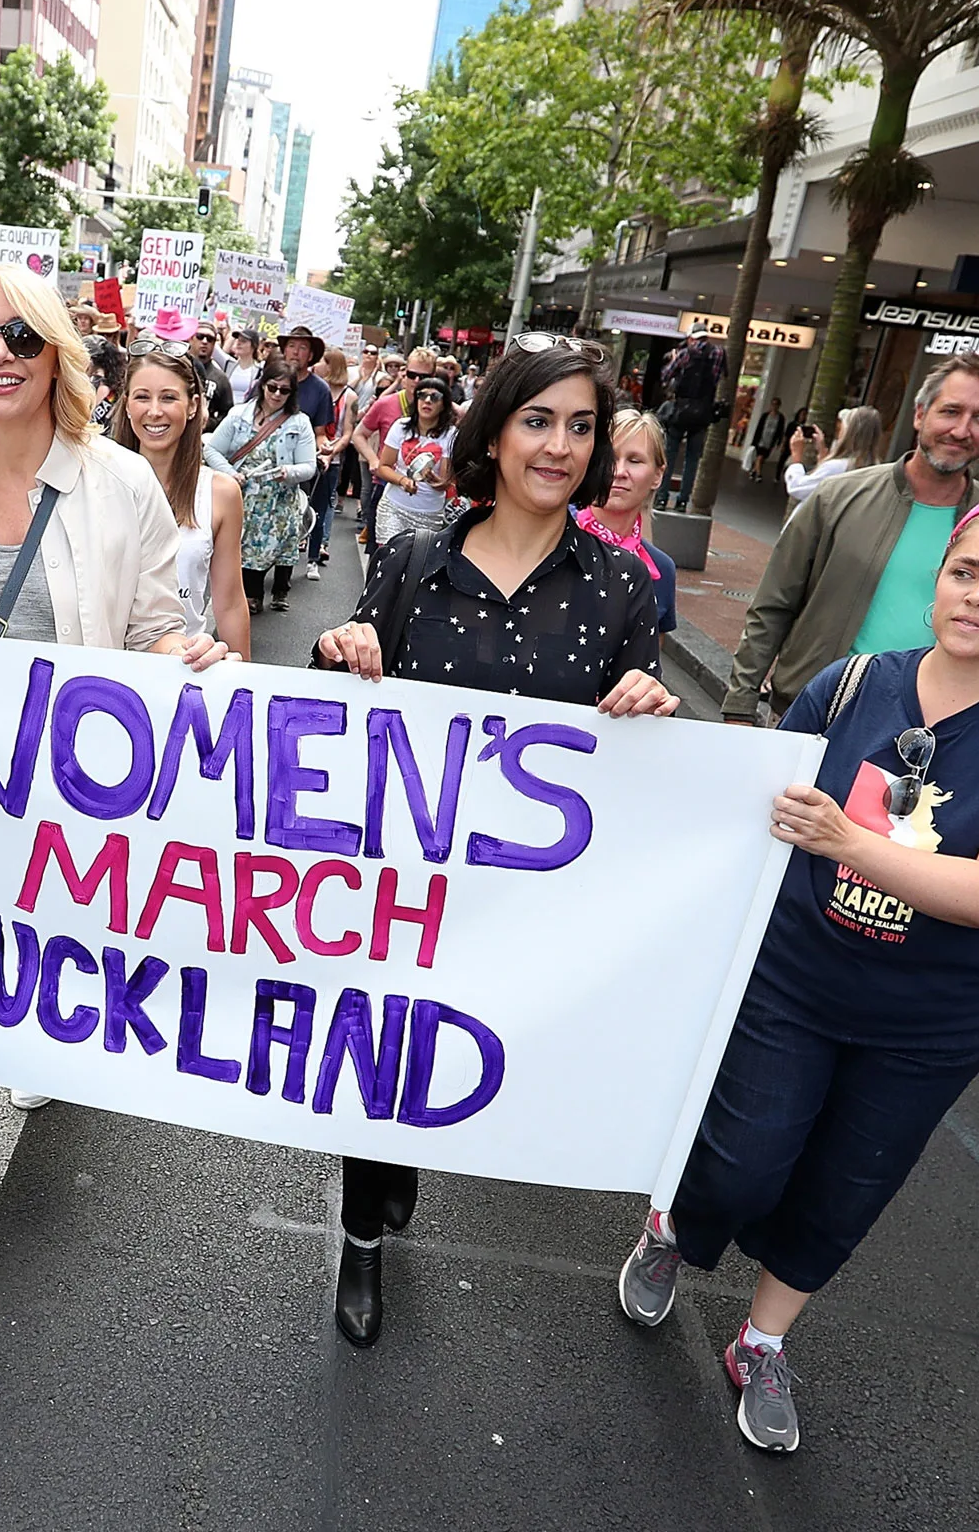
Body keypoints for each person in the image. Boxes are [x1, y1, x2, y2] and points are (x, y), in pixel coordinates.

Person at [618, 492, 979, 1454]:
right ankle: (674, 1227)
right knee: (740, 1160)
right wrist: (663, 737)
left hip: (929, 1026)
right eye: (965, 571)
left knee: (846, 1190)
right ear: (939, 579)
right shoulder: (849, 686)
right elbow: (747, 809)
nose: (978, 595)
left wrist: (847, 839)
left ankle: (762, 1342)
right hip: (791, 985)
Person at [0, 263, 229, 1326]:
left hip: (74, 811)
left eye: (21, 338)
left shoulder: (120, 486)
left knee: (41, 975)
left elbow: (152, 626)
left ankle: (35, 1043)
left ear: (57, 356)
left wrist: (182, 655)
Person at [314, 333, 678, 1349]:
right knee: (380, 1060)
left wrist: (650, 707)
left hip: (527, 903)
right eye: (537, 420)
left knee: (460, 1057)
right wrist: (342, 648)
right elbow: (342, 707)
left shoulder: (620, 588)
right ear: (496, 433)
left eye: (581, 427)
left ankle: (400, 1164)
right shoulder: (413, 561)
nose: (559, 445)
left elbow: (637, 759)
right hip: (404, 891)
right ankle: (361, 1236)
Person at [722, 355, 979, 725]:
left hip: (928, 729)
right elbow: (773, 606)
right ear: (920, 414)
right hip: (814, 714)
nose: (961, 430)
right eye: (950, 411)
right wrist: (740, 706)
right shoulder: (837, 498)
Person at [114, 338, 251, 656]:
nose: (154, 411)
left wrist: (243, 677)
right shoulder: (95, 482)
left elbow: (230, 603)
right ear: (127, 404)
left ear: (192, 406)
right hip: (101, 666)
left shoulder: (220, 493)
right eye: (142, 397)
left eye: (168, 397)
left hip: (183, 664)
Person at [208, 356, 316, 613]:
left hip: (279, 500)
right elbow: (212, 450)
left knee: (276, 546)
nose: (277, 394)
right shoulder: (239, 415)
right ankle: (251, 596)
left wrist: (287, 472)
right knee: (244, 547)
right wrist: (230, 473)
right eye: (273, 387)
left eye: (284, 390)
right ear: (263, 385)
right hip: (243, 496)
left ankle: (277, 590)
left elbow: (309, 466)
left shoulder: (299, 423)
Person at [579, 408, 677, 634]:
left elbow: (652, 651)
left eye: (634, 460)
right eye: (610, 458)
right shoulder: (552, 542)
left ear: (658, 475)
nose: (619, 471)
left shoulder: (661, 569)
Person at [352, 347, 438, 554]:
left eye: (424, 377)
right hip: (387, 486)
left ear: (433, 377)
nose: (416, 381)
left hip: (427, 498)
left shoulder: (444, 409)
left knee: (418, 560)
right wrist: (373, 460)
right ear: (404, 373)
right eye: (412, 374)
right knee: (382, 558)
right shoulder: (386, 403)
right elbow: (359, 434)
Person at [373, 371, 459, 545]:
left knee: (418, 560)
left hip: (429, 513)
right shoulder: (400, 427)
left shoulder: (450, 435)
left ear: (444, 404)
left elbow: (446, 480)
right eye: (422, 395)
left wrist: (438, 482)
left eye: (435, 397)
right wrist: (402, 480)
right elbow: (383, 467)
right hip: (394, 507)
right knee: (390, 557)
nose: (427, 401)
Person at [656, 325, 725, 512]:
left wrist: (674, 359)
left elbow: (665, 376)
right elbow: (717, 379)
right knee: (692, 459)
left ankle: (662, 498)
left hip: (680, 412)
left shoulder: (685, 354)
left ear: (692, 338)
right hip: (702, 414)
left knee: (669, 456)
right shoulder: (718, 353)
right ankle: (682, 501)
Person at [305, 348, 357, 579]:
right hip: (307, 454)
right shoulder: (315, 389)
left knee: (322, 506)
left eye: (322, 361)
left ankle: (316, 552)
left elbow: (347, 433)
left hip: (330, 458)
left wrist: (330, 453)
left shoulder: (349, 396)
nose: (316, 365)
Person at [784, 404, 884, 509]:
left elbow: (798, 488)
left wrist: (796, 457)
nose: (839, 430)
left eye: (842, 425)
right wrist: (822, 453)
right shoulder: (875, 469)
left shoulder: (838, 466)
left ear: (850, 432)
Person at [280, 325, 336, 456]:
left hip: (300, 458)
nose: (295, 352)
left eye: (302, 348)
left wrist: (324, 445)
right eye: (291, 346)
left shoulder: (321, 389)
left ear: (310, 356)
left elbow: (320, 433)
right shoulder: (269, 381)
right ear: (284, 351)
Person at [188, 318, 234, 434]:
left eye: (210, 339)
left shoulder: (221, 378)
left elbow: (227, 414)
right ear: (191, 339)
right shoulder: (178, 369)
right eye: (200, 336)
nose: (205, 341)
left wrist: (209, 423)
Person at [746, 395, 789, 481]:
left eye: (776, 404)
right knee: (760, 457)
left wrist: (779, 442)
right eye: (773, 404)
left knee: (763, 458)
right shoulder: (765, 415)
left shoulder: (780, 418)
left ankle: (754, 471)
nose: (774, 406)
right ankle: (759, 475)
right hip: (761, 440)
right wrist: (755, 440)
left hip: (770, 441)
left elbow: (780, 430)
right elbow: (759, 428)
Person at [227, 330, 261, 404]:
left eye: (243, 341)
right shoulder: (229, 364)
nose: (238, 343)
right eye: (238, 340)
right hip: (227, 409)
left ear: (254, 345)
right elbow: (215, 350)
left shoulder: (260, 370)